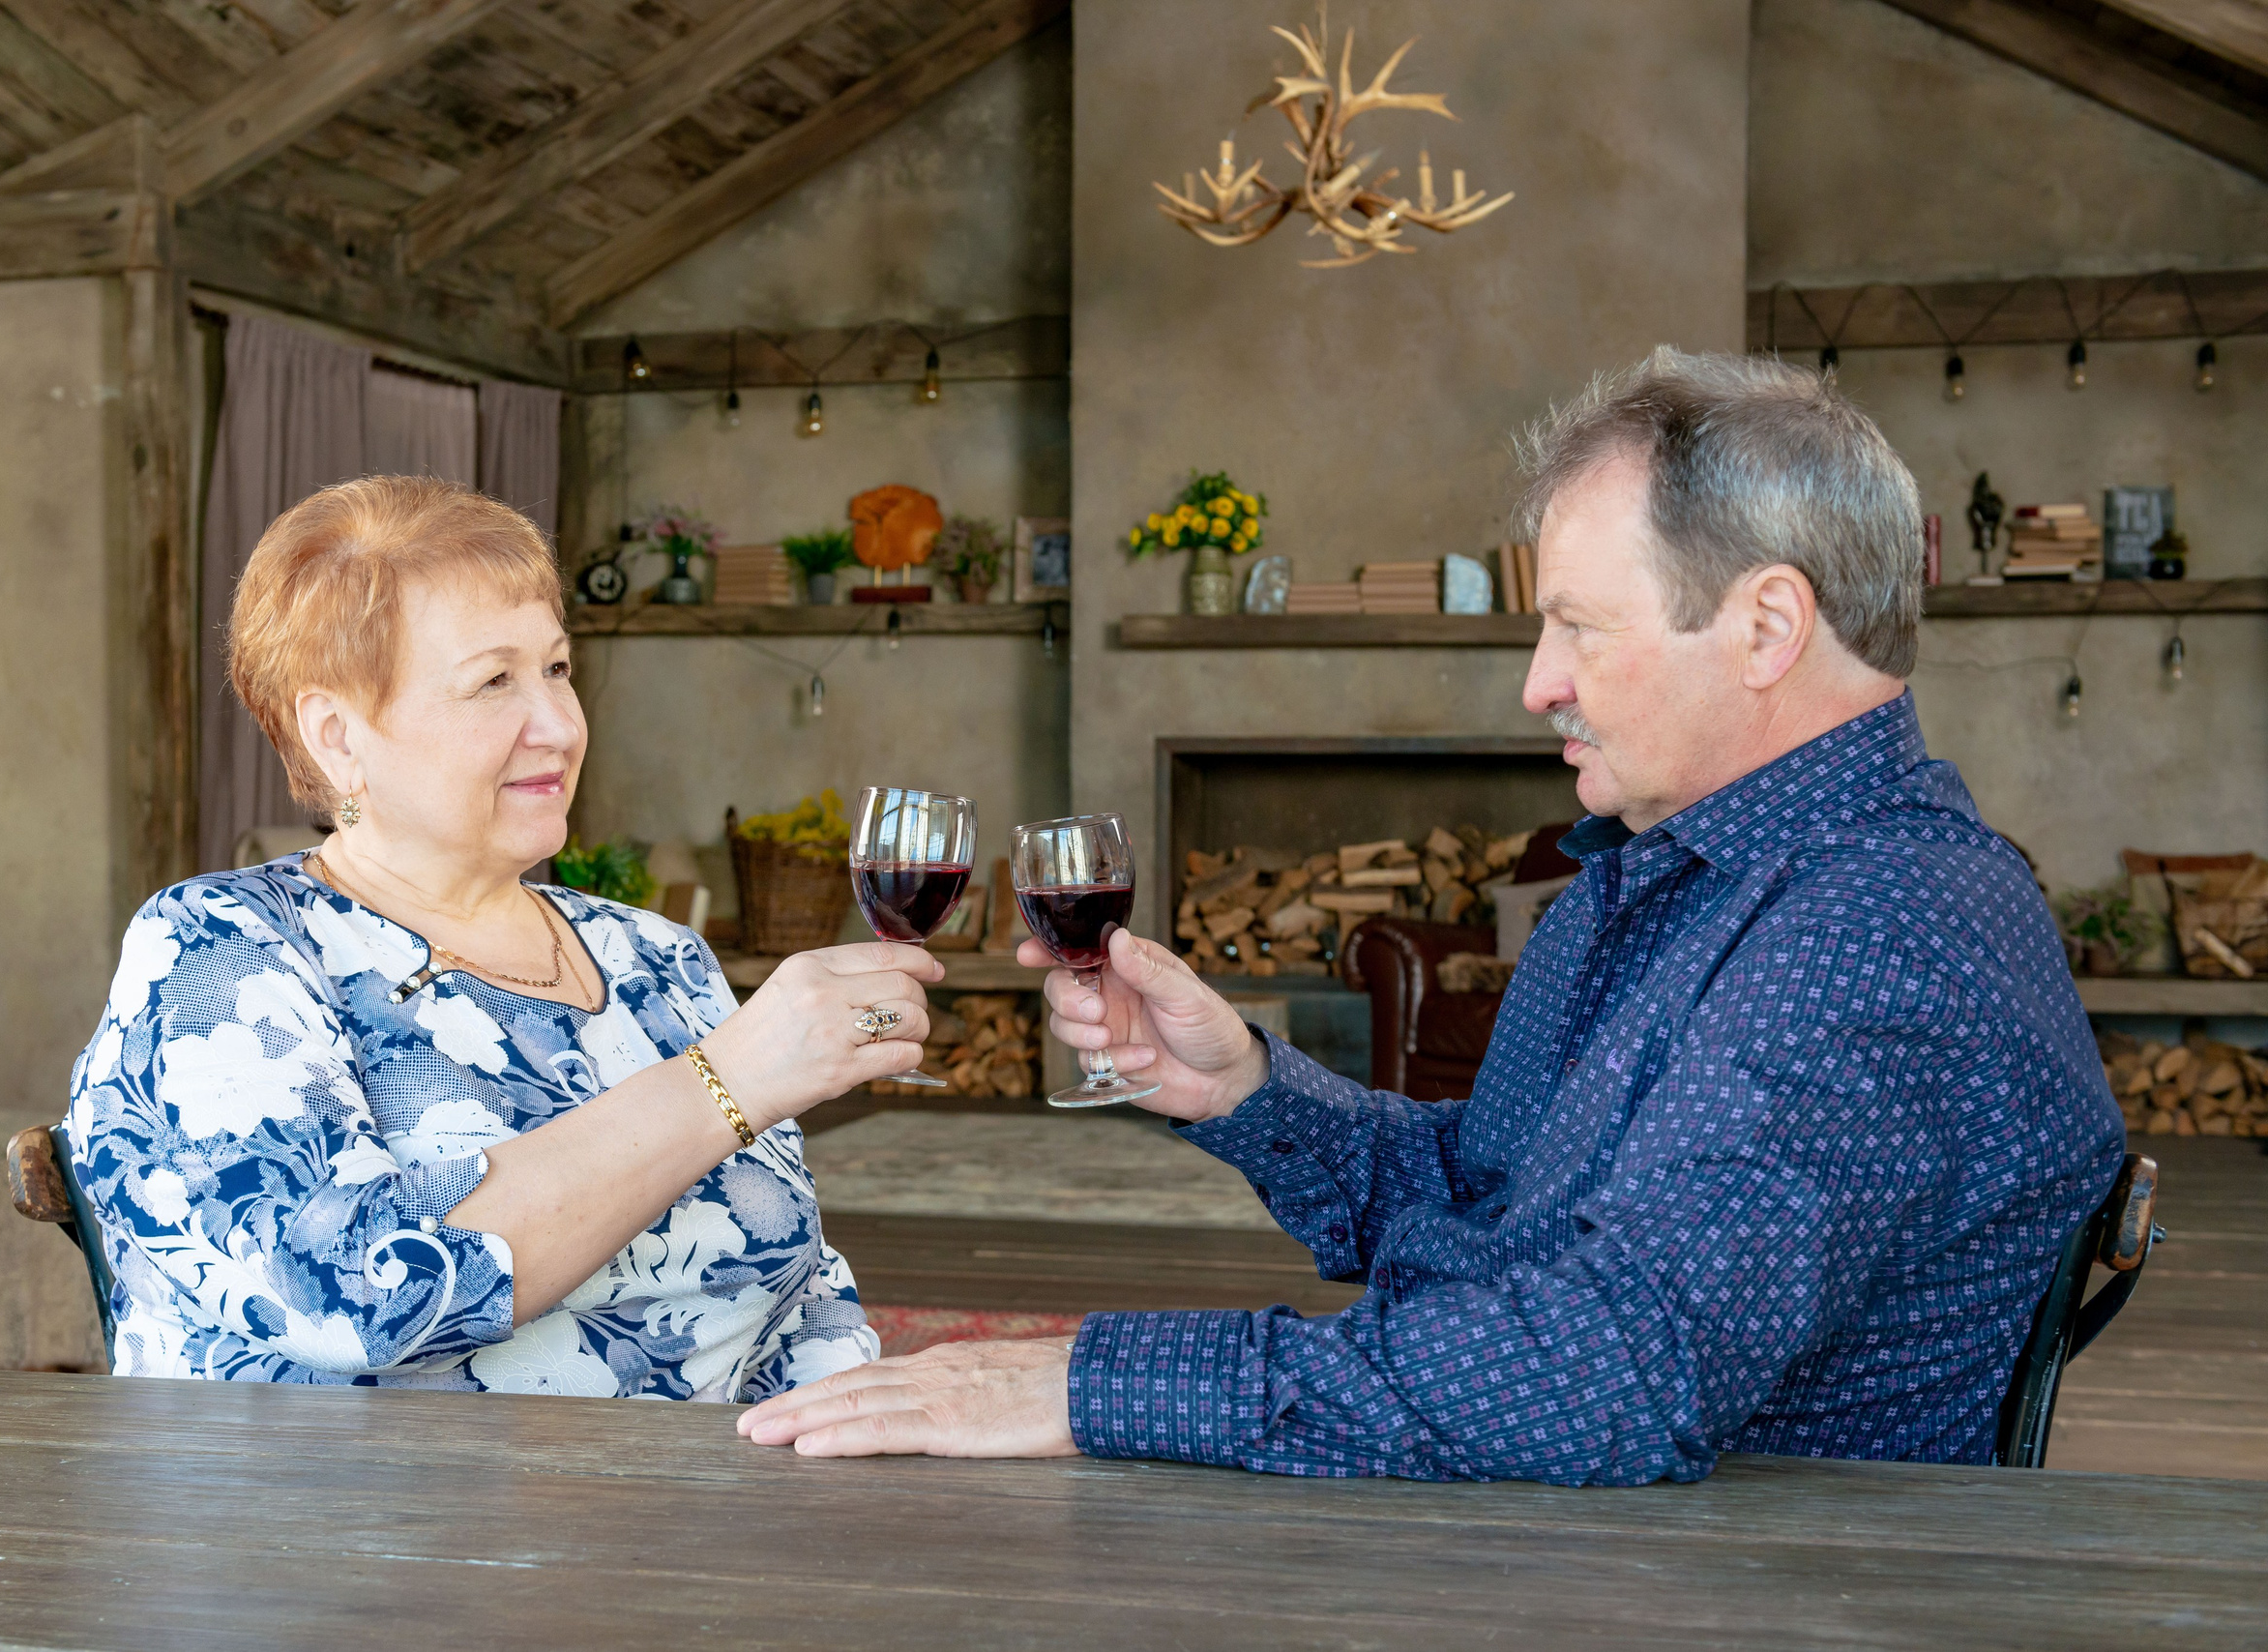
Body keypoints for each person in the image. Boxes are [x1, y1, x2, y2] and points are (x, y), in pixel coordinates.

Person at [740, 349, 2126, 1480]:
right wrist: (1245, 1094)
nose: (1537, 684)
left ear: (1766, 629)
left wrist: (1095, 1381)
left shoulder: (1890, 923)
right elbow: (1495, 1200)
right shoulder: (1668, 880)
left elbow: (1607, 1377)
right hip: (1579, 1532)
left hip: (1728, 1583)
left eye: (1580, 627)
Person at [67, 476, 939, 1394]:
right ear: (336, 736)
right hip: (354, 1526)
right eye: (493, 682)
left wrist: (851, 1459)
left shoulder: (655, 958)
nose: (559, 726)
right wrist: (727, 1081)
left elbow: (803, 1292)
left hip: (703, 1515)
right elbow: (355, 1293)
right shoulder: (221, 951)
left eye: (557, 670)